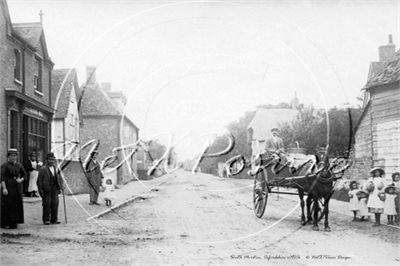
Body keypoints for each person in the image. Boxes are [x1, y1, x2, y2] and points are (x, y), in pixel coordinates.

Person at [0, 149, 27, 229]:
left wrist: (20, 179)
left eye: (14, 156)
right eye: (11, 156)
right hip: (7, 185)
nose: (13, 157)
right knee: (7, 204)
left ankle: (14, 222)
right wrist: (4, 188)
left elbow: (25, 175)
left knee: (16, 204)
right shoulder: (4, 166)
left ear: (17, 157)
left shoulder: (19, 165)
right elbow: (2, 178)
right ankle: (5, 223)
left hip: (16, 186)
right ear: (8, 157)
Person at [37, 152, 64, 225]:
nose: (51, 161)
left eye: (53, 160)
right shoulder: (43, 169)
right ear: (47, 160)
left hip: (55, 188)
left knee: (55, 203)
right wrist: (41, 191)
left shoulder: (56, 168)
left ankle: (54, 219)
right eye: (50, 160)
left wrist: (62, 186)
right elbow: (39, 181)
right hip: (47, 189)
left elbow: (60, 178)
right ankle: (46, 219)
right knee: (47, 204)